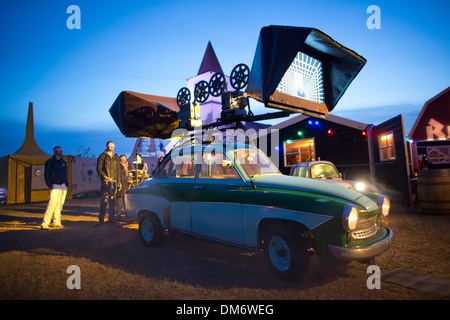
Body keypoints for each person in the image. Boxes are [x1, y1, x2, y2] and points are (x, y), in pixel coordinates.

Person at [41, 146, 68, 230]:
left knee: (59, 205)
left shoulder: (63, 162)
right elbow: (47, 174)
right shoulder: (50, 161)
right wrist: (50, 185)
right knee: (52, 205)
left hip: (63, 186)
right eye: (59, 150)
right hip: (54, 185)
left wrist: (66, 184)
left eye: (61, 149)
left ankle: (56, 222)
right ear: (54, 151)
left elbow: (66, 173)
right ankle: (45, 223)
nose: (61, 151)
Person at [97, 141, 120, 223]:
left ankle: (111, 218)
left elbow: (118, 170)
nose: (111, 146)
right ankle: (101, 218)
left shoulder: (116, 157)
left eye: (112, 145)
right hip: (105, 182)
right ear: (106, 146)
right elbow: (99, 169)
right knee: (104, 200)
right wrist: (105, 177)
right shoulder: (102, 156)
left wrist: (119, 181)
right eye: (109, 145)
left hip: (114, 182)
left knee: (113, 200)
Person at [116, 154, 133, 219]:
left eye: (123, 158)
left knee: (127, 200)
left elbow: (132, 173)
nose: (122, 159)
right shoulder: (118, 166)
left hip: (128, 184)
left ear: (126, 159)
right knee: (119, 199)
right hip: (121, 184)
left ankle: (127, 214)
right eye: (121, 158)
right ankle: (118, 214)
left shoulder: (129, 165)